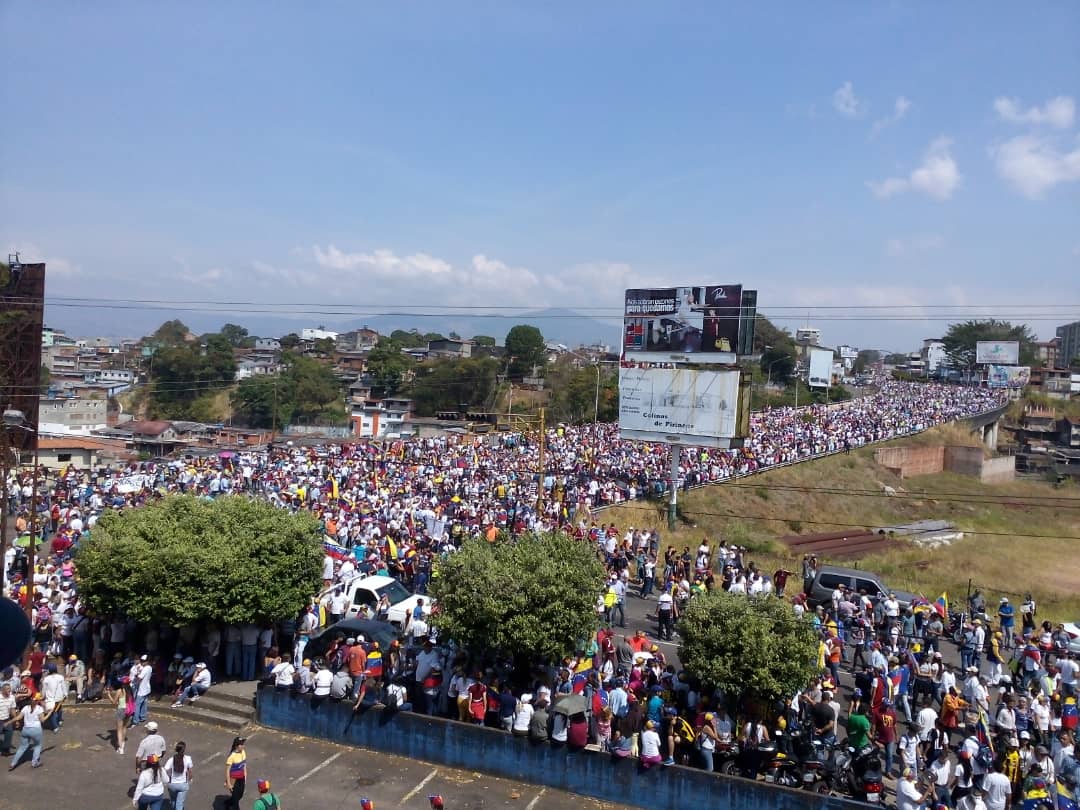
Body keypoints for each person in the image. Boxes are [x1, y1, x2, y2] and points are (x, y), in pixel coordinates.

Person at [8, 692, 51, 770]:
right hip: (36, 730)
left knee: (22, 747)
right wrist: (49, 713)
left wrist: (9, 722)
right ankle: (34, 762)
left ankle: (13, 763)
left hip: (25, 730)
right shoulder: (39, 709)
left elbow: (18, 717)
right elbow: (43, 720)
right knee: (37, 746)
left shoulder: (26, 707)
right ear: (38, 701)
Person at [163, 741, 194, 810]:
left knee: (173, 801)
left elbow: (165, 769)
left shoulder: (171, 759)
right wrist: (190, 779)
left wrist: (168, 778)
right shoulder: (188, 758)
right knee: (179, 804)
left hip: (172, 785)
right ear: (184, 749)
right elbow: (190, 771)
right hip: (183, 785)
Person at [224, 736, 247, 810]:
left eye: (243, 744)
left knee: (240, 795)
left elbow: (244, 765)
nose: (243, 746)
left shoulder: (243, 752)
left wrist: (245, 777)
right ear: (237, 746)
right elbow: (227, 771)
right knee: (236, 801)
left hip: (242, 778)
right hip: (234, 780)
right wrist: (229, 783)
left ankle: (229, 802)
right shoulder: (231, 757)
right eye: (242, 744)